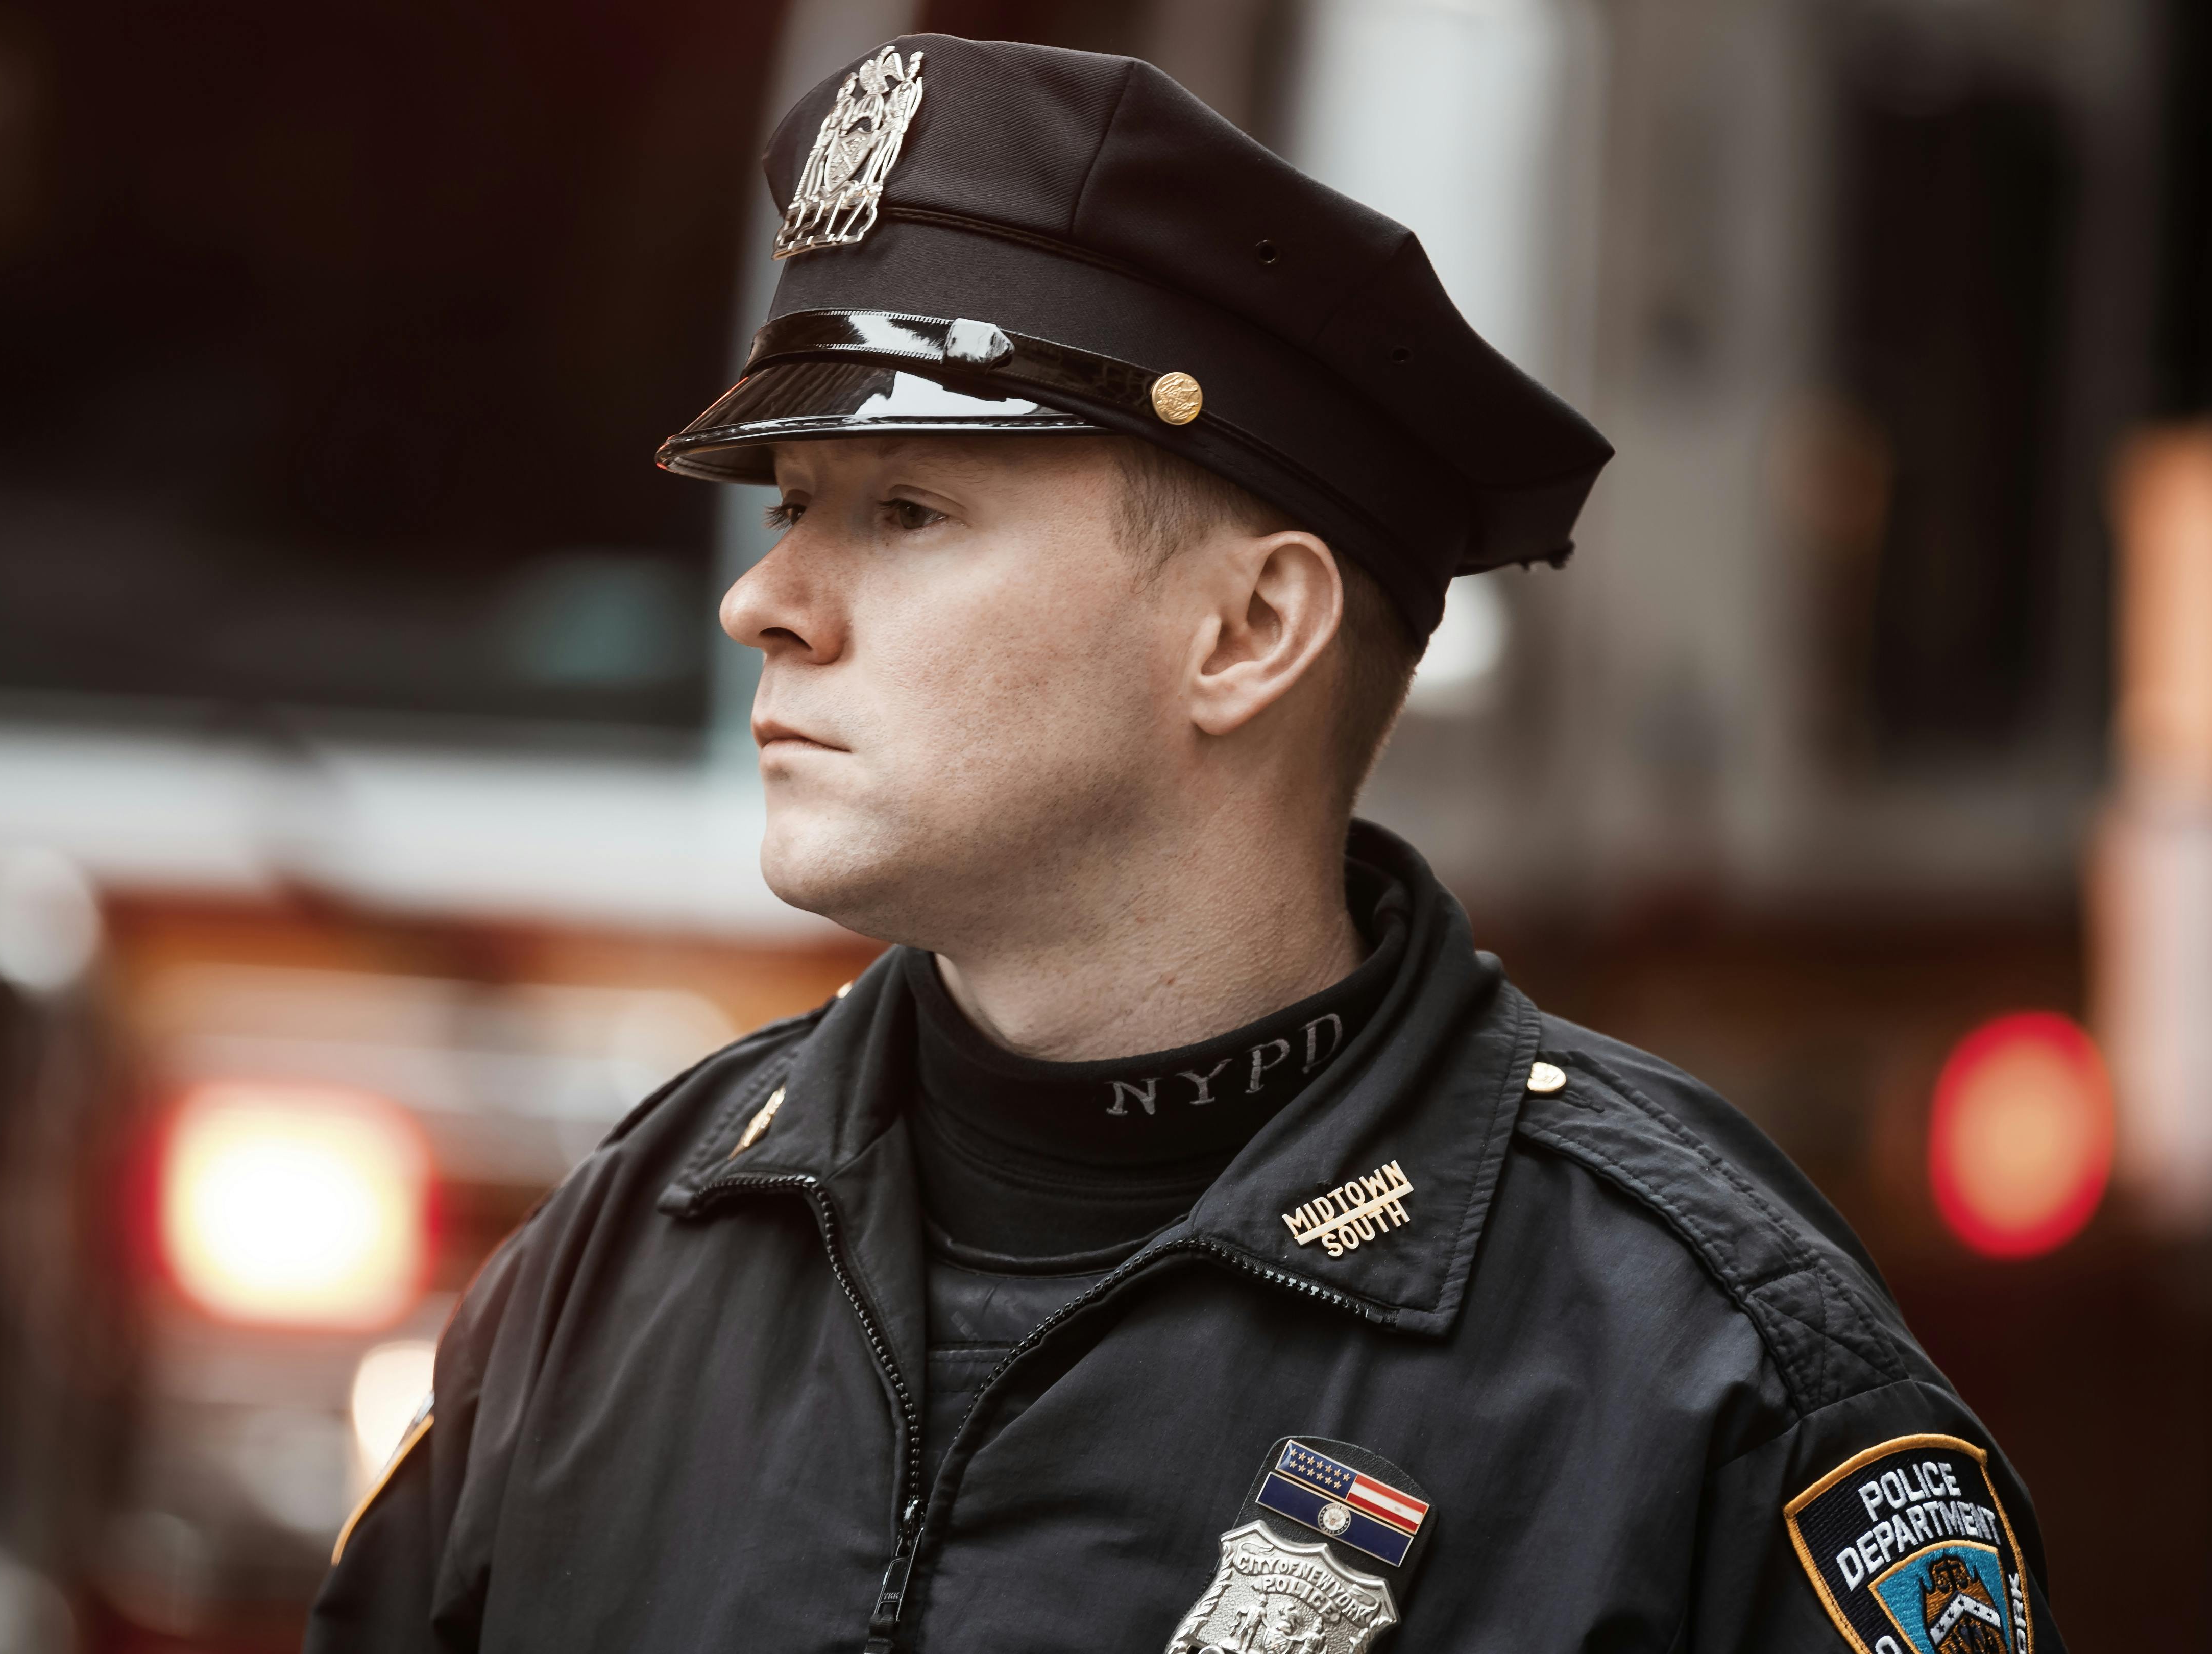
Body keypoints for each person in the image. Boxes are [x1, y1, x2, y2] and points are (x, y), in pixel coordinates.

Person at [309, 35, 2065, 1654]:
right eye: (792, 511)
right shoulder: (620, 1256)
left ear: (1247, 632)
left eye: (906, 511)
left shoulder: (1705, 1373)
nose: (763, 601)